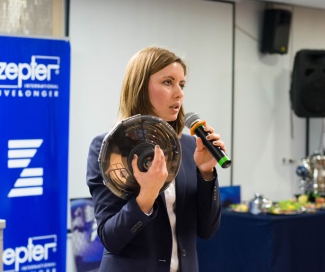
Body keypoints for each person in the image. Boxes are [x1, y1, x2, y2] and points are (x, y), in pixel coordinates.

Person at [86, 46, 225, 272]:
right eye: (168, 82)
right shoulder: (109, 148)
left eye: (182, 84)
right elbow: (111, 239)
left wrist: (206, 173)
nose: (179, 93)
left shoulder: (190, 146)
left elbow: (207, 230)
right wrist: (146, 196)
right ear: (140, 87)